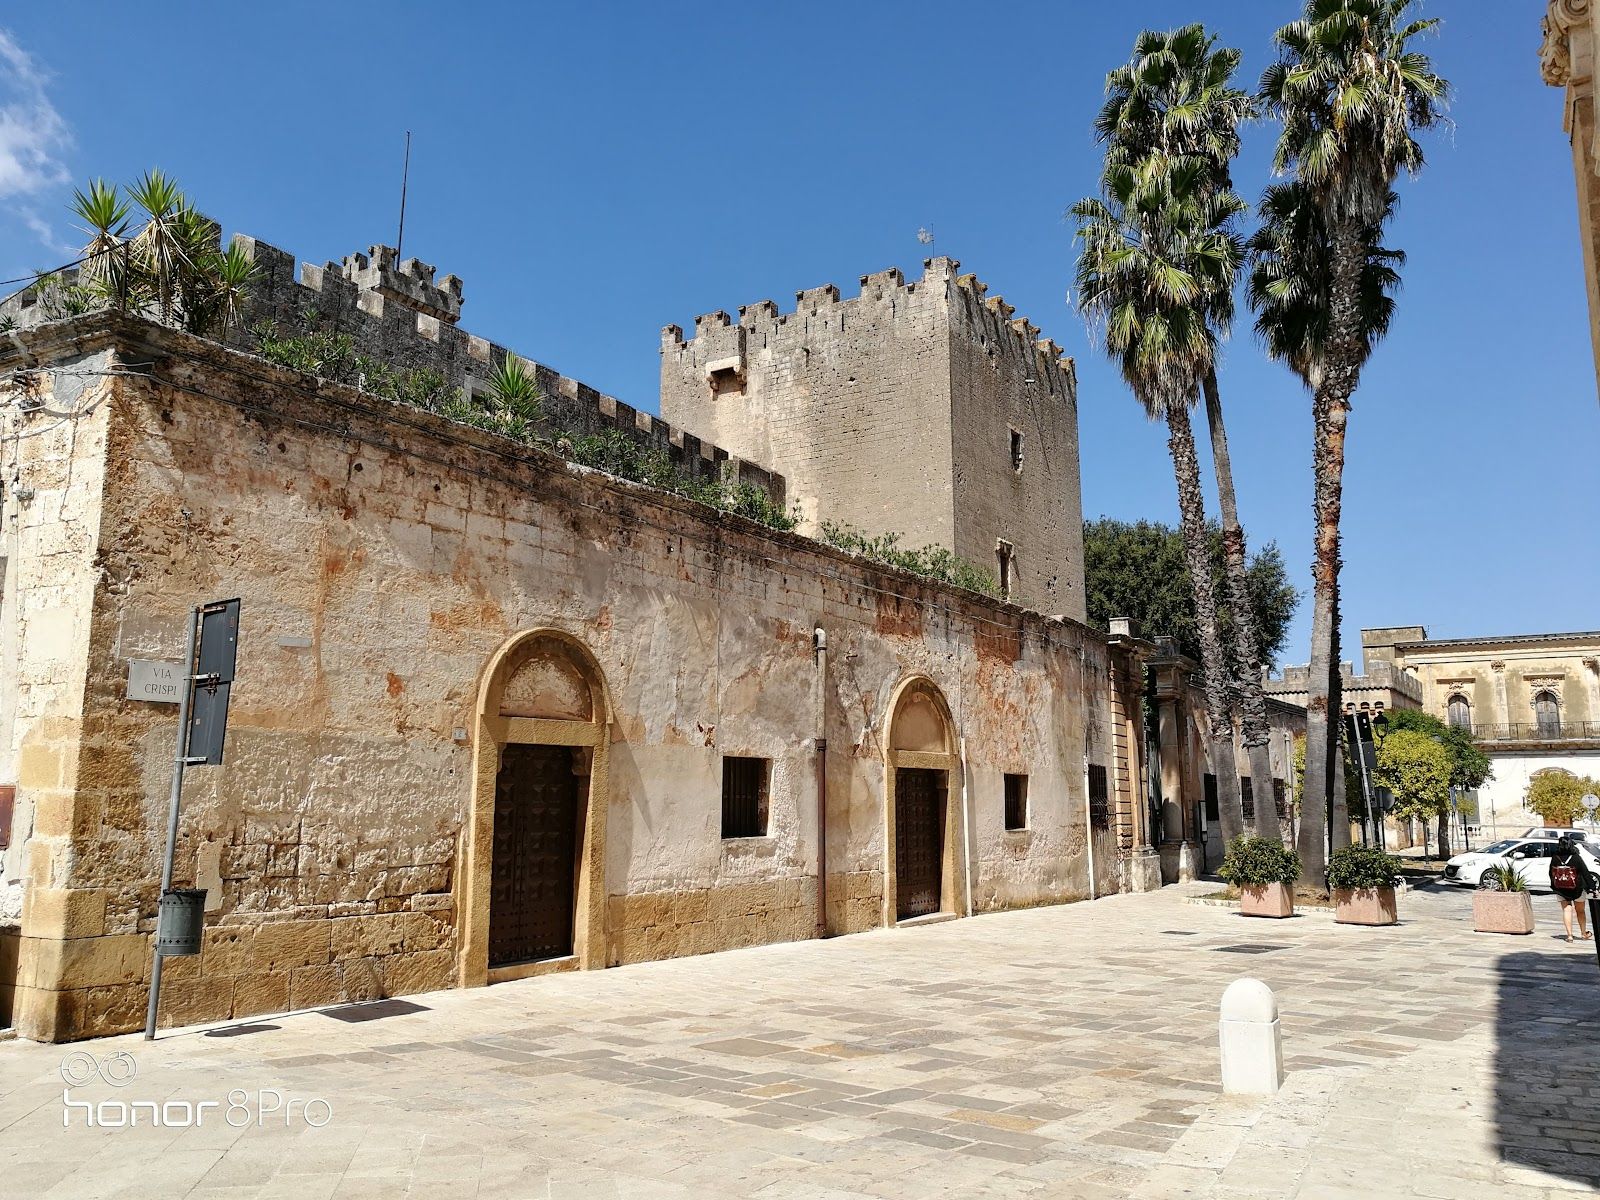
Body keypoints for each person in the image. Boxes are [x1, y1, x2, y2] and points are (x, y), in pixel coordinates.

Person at [1550, 834, 1595, 943]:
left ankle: (1569, 935)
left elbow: (1550, 873)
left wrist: (1554, 885)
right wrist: (1593, 887)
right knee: (1580, 911)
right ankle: (1584, 933)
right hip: (1577, 889)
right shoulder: (1576, 858)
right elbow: (1585, 873)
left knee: (1566, 909)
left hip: (1561, 889)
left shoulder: (1555, 857)